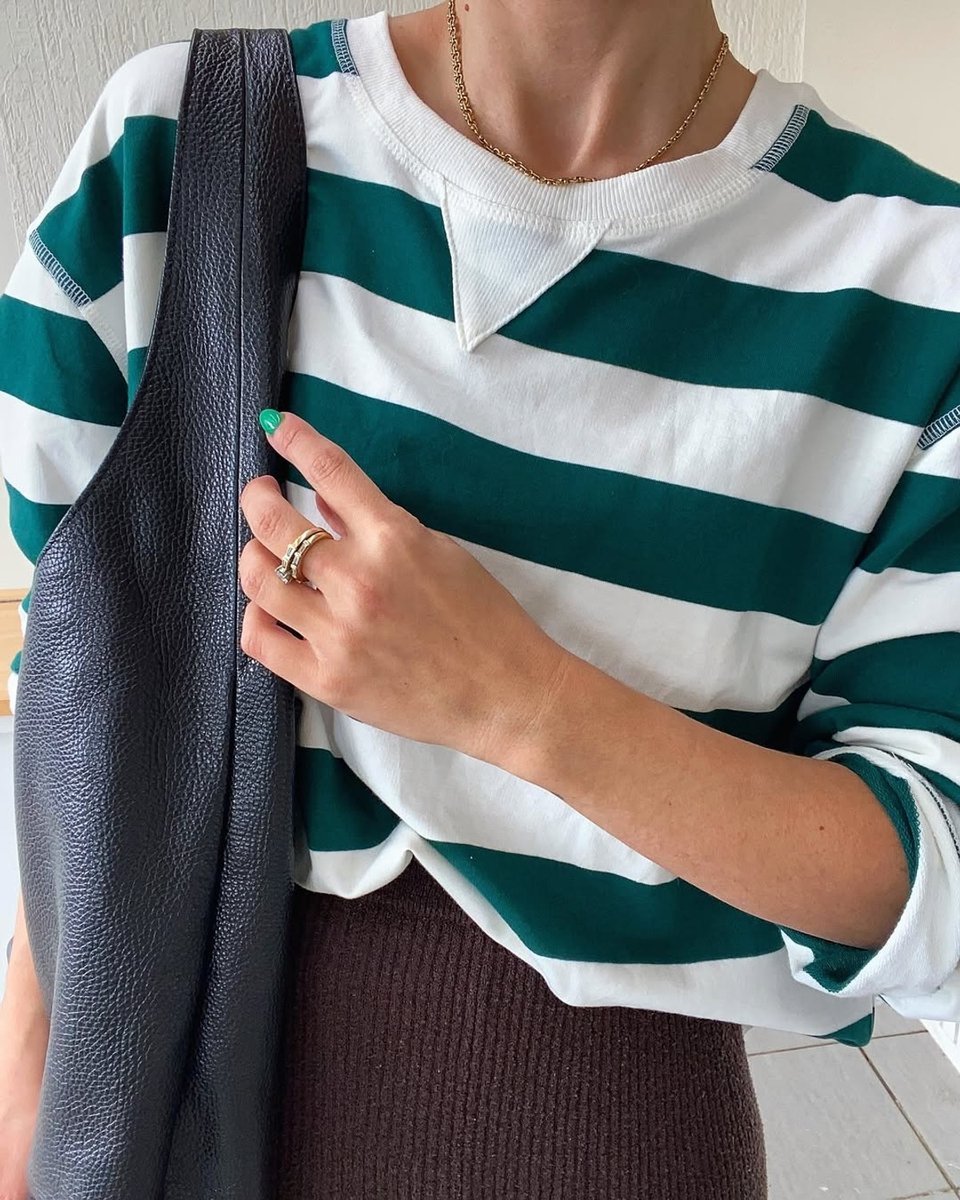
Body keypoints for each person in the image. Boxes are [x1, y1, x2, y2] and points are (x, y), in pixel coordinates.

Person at [2, 1, 960, 1195]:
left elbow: (929, 877)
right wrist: (29, 1070)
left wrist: (518, 703)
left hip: (612, 1141)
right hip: (153, 1094)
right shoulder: (176, 146)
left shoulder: (920, 283)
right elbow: (81, 682)